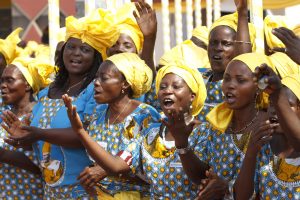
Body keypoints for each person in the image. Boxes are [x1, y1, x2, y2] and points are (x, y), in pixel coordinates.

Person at [2, 14, 119, 199]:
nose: (76, 53)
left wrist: (38, 133)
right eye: (71, 47)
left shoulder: (95, 91)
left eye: (85, 49)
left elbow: (85, 137)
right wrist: (25, 139)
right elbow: (44, 143)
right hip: (50, 191)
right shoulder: (46, 92)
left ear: (96, 57)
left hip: (85, 190)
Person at [170, 53, 271, 199]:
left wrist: (226, 188)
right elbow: (201, 176)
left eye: (240, 80)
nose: (230, 85)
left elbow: (272, 185)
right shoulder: (217, 124)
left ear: (259, 88)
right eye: (227, 79)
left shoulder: (267, 126)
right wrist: (182, 144)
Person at [63, 52, 160, 199]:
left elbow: (120, 166)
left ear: (125, 84)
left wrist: (80, 131)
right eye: (96, 77)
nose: (96, 82)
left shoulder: (144, 115)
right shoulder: (98, 112)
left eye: (104, 78)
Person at [234, 66, 300, 199]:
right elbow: (241, 197)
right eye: (271, 102)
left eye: (286, 105)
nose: (276, 109)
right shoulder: (262, 147)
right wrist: (251, 154)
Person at [0, 56, 55, 199]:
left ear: (27, 85)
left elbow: (42, 167)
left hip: (29, 194)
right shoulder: (6, 114)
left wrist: (3, 154)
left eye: (9, 80)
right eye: (2, 80)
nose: (3, 85)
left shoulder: (39, 115)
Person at [106, 0, 157, 75]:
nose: (119, 49)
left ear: (138, 52)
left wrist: (149, 38)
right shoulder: (96, 80)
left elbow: (148, 74)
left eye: (127, 46)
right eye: (113, 45)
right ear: (106, 50)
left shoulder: (141, 80)